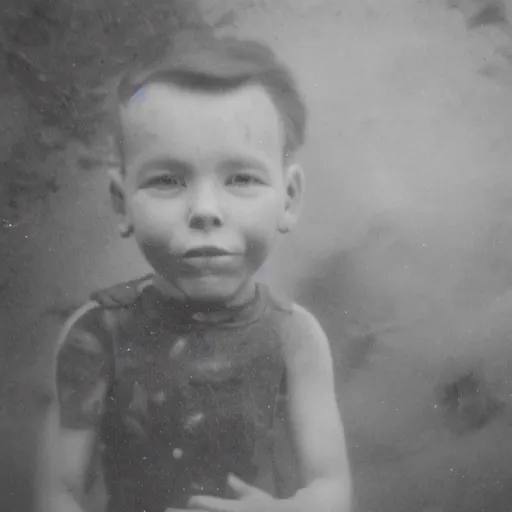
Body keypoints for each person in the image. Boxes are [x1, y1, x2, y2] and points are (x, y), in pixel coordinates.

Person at [40, 29, 352, 512]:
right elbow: (57, 492)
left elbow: (333, 489)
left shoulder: (296, 337)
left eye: (241, 179)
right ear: (122, 202)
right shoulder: (95, 335)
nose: (205, 210)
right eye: (167, 180)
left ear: (288, 199)